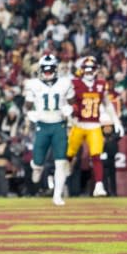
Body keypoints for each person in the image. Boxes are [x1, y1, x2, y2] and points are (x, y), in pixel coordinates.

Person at [68, 56, 123, 197]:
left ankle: (99, 186)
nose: (88, 71)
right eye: (86, 69)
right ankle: (59, 180)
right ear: (81, 70)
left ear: (96, 70)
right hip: (78, 124)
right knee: (68, 155)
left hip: (94, 124)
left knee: (96, 155)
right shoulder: (74, 83)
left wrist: (116, 121)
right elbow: (66, 99)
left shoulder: (100, 84)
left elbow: (108, 104)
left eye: (91, 69)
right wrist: (67, 114)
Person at [23, 53, 74, 205]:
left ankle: (57, 195)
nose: (47, 71)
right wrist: (29, 113)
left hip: (59, 125)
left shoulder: (65, 83)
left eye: (49, 68)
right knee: (38, 162)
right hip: (42, 125)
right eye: (44, 68)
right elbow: (27, 105)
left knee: (61, 162)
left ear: (55, 68)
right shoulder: (33, 84)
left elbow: (72, 102)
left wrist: (69, 108)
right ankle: (36, 167)